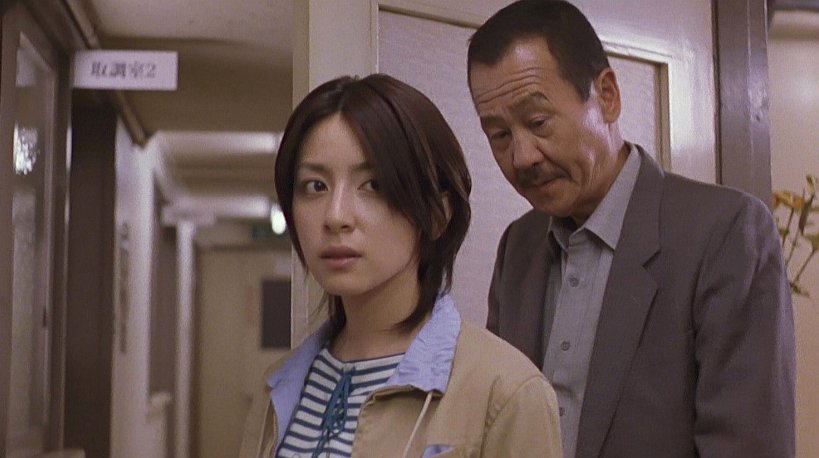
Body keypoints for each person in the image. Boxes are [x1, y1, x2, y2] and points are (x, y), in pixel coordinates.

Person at [465, 1, 796, 457]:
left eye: (538, 122)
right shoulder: (518, 246)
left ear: (607, 96)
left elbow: (748, 446)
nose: (522, 157)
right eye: (499, 135)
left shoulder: (725, 232)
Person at [238, 74, 562, 458]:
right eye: (315, 186)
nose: (336, 216)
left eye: (373, 185)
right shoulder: (278, 389)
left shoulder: (505, 393)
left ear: (438, 214)